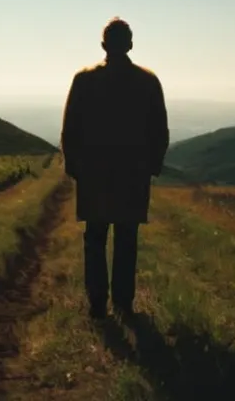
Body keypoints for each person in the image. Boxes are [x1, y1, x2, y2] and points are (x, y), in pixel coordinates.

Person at [60, 17, 169, 319]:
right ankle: (122, 302)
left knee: (95, 237)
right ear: (130, 44)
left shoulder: (84, 80)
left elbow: (70, 128)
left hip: (94, 173)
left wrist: (74, 165)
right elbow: (160, 130)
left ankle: (97, 302)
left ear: (104, 45)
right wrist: (151, 167)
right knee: (126, 239)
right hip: (132, 175)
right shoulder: (148, 81)